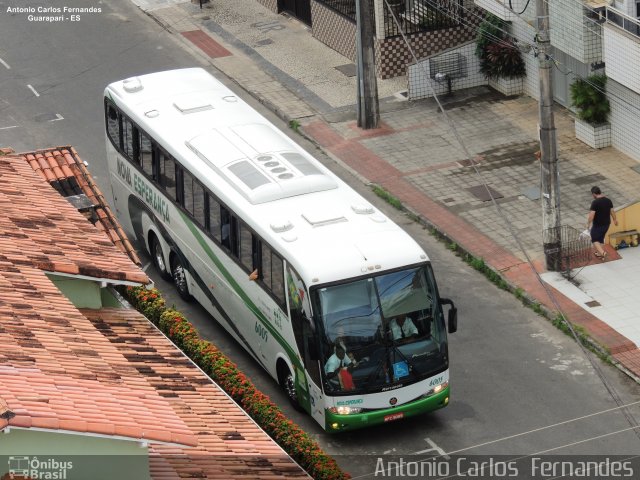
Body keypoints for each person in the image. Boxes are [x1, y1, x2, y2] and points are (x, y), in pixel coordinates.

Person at [587, 186, 617, 261]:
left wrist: (588, 223)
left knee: (594, 239)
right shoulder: (608, 200)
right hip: (607, 224)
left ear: (594, 194)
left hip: (598, 225)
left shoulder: (595, 202)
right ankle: (600, 254)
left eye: (592, 194)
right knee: (600, 239)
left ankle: (603, 253)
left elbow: (591, 215)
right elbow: (612, 211)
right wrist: (615, 220)